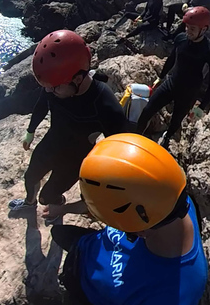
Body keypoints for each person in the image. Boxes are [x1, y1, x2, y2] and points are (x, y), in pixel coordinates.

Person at [47, 133, 207, 305]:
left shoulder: (170, 295)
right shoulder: (171, 196)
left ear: (141, 231)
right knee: (57, 232)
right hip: (87, 244)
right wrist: (63, 210)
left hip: (85, 293)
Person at [8, 30, 128, 224]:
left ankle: (56, 204)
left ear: (78, 79)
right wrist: (30, 131)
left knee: (46, 197)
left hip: (74, 159)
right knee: (30, 177)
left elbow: (118, 148)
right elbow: (42, 103)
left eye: (53, 87)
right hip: (52, 141)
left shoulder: (103, 104)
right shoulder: (57, 82)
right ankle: (29, 204)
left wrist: (93, 184)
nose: (49, 91)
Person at [136, 6, 210, 148]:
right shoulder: (181, 38)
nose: (188, 31)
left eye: (192, 29)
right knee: (147, 110)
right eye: (187, 27)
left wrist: (201, 106)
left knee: (175, 122)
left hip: (188, 93)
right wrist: (161, 77)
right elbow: (171, 59)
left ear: (204, 29)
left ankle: (166, 138)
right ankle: (137, 137)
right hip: (171, 83)